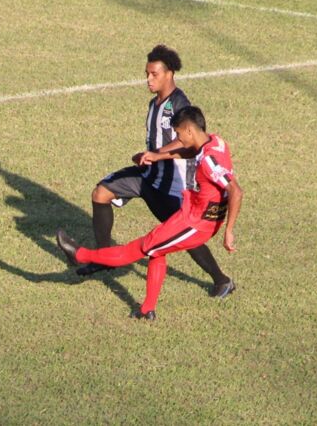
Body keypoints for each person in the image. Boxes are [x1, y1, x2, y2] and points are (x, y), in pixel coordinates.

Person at [58, 106, 243, 320]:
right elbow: (190, 151)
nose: (177, 138)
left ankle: (80, 254)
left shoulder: (209, 160)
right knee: (157, 250)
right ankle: (147, 310)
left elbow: (235, 191)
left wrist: (229, 231)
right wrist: (157, 156)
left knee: (139, 248)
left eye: (179, 133)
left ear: (190, 130)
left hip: (196, 222)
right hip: (194, 214)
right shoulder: (214, 141)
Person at [80, 45, 235, 299]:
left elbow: (187, 140)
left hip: (171, 185)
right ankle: (103, 257)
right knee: (101, 193)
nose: (148, 79)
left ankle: (221, 280)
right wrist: (147, 154)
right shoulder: (155, 104)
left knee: (185, 237)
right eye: (147, 74)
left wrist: (159, 153)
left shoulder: (180, 103)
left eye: (154, 74)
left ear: (169, 74)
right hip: (148, 175)